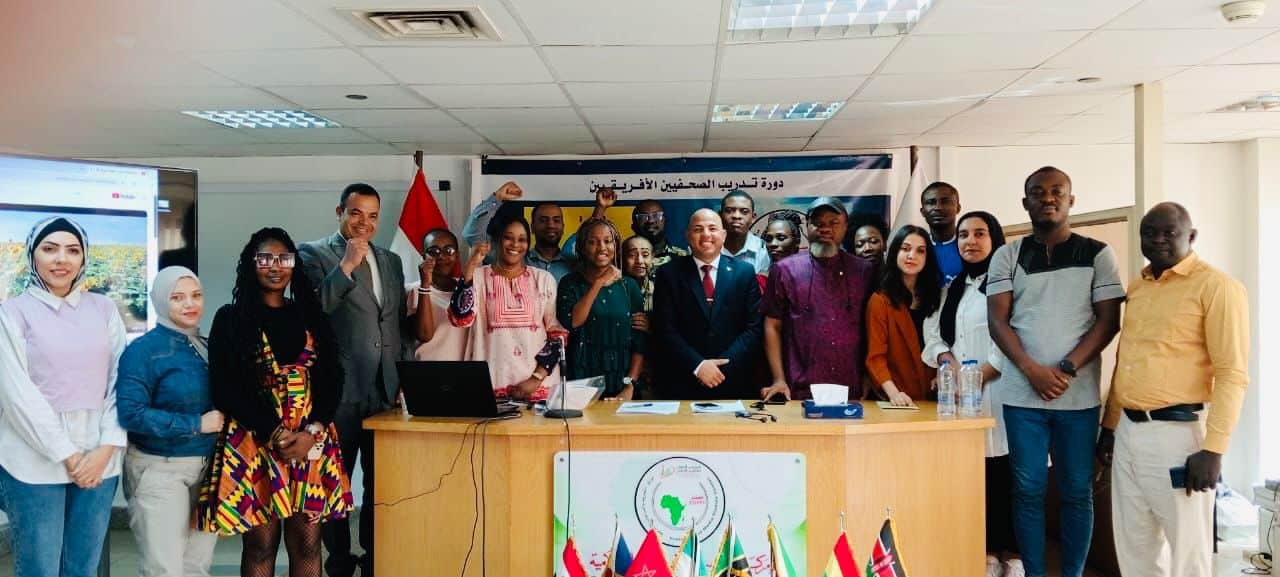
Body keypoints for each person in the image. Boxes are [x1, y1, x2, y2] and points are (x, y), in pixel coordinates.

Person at [1096, 203, 1249, 577]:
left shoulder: (1217, 287)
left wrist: (1214, 450)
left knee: (1187, 552)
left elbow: (1232, 374)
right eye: (1149, 233)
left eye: (1169, 232)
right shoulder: (1138, 286)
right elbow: (1126, 361)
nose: (1158, 240)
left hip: (1179, 436)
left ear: (1191, 236)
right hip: (1129, 432)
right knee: (1135, 547)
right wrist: (1110, 427)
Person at [987, 166, 1124, 577]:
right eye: (1038, 192)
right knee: (1028, 490)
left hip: (1077, 398)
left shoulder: (1097, 253)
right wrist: (1031, 370)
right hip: (1022, 397)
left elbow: (1108, 321)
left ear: (1071, 200)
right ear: (1025, 201)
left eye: (1057, 191)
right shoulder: (1008, 255)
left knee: (1077, 491)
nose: (1048, 198)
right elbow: (998, 322)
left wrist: (1065, 368)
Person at [199, 227, 353, 577]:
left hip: (310, 442)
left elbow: (332, 378)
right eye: (265, 258)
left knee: (308, 543)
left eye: (284, 258)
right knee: (260, 545)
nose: (275, 266)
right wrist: (275, 432)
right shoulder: (231, 319)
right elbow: (225, 387)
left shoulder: (310, 315)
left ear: (294, 264)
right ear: (250, 264)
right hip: (256, 441)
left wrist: (312, 431)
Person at [0, 216, 127, 577]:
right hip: (32, 459)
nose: (61, 259)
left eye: (72, 250)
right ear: (32, 255)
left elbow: (122, 381)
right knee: (39, 569)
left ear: (83, 257)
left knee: (82, 568)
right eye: (49, 249)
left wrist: (105, 448)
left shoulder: (104, 309)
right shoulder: (11, 313)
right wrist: (69, 456)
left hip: (100, 459)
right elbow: (16, 394)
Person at [296, 183, 405, 577]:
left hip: (383, 391)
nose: (364, 223)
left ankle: (376, 558)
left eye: (373, 216)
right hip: (338, 392)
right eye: (356, 213)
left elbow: (394, 324)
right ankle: (339, 560)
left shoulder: (391, 260)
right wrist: (345, 266)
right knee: (334, 482)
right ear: (339, 211)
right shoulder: (312, 254)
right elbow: (312, 312)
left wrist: (402, 377)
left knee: (381, 486)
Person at [920, 212, 1021, 577]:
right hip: (961, 398)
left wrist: (975, 379)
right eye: (963, 235)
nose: (970, 241)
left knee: (1008, 474)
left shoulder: (1008, 286)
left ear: (995, 240)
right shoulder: (952, 289)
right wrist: (946, 361)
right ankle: (987, 552)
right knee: (976, 475)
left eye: (980, 234)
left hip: (1000, 393)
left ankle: (1014, 555)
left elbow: (1011, 341)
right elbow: (933, 334)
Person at [117, 266, 223, 577]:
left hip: (209, 470)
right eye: (177, 298)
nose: (190, 304)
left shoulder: (207, 346)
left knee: (196, 567)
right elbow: (130, 413)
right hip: (160, 469)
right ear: (161, 301)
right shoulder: (143, 352)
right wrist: (196, 424)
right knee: (164, 570)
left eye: (196, 295)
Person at [760, 198, 873, 402]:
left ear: (845, 227)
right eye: (818, 223)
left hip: (851, 386)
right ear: (807, 226)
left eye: (833, 222)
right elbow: (772, 326)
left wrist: (869, 375)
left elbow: (872, 329)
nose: (825, 228)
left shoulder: (863, 271)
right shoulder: (785, 270)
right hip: (799, 388)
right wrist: (778, 379)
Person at [650, 209, 762, 400]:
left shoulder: (744, 272)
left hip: (733, 380)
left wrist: (720, 367)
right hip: (682, 380)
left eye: (712, 228)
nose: (706, 235)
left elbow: (753, 328)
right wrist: (699, 365)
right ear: (687, 235)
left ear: (723, 235)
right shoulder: (668, 273)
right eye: (698, 229)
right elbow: (664, 328)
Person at [454, 213, 567, 401]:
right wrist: (471, 265)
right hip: (489, 385)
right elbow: (460, 318)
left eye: (522, 240)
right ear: (496, 241)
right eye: (508, 237)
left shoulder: (543, 279)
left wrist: (536, 378)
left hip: (537, 388)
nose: (515, 245)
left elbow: (557, 336)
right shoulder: (478, 278)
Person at [556, 218, 646, 400]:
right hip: (581, 383)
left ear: (616, 246)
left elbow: (640, 343)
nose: (602, 247)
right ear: (582, 247)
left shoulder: (629, 286)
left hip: (621, 384)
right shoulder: (570, 283)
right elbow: (573, 322)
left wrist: (629, 386)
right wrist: (599, 282)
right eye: (593, 242)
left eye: (608, 241)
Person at [866, 225, 942, 406]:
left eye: (920, 251)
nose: (912, 256)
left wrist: (942, 373)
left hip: (936, 395)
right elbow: (875, 357)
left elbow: (944, 344)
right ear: (894, 252)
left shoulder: (937, 296)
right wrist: (894, 394)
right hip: (898, 398)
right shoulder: (880, 300)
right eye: (905, 249)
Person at [461, 181, 576, 282]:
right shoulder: (510, 256)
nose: (550, 225)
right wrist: (497, 198)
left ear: (563, 227)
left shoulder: (576, 264)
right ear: (532, 227)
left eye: (556, 220)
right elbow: (472, 234)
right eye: (543, 220)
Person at [406, 228, 471, 361]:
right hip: (428, 368)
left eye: (449, 250)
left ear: (457, 255)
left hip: (465, 369)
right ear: (423, 255)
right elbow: (424, 335)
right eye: (434, 251)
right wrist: (425, 285)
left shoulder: (468, 290)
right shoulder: (413, 290)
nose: (441, 256)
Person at [920, 181, 964, 284]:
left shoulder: (971, 246)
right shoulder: (915, 249)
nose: (938, 207)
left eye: (945, 202)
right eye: (931, 202)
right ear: (922, 212)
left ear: (958, 208)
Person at [719, 189, 772, 276]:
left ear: (753, 217)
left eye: (744, 212)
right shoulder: (708, 245)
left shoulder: (763, 249)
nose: (736, 216)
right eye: (729, 211)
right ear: (720, 215)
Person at [631, 198, 689, 269]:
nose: (651, 221)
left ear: (664, 222)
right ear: (633, 226)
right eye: (643, 217)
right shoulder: (623, 259)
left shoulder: (683, 258)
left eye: (656, 215)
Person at [621, 235, 655, 312]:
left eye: (645, 255)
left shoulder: (661, 286)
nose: (639, 261)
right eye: (632, 255)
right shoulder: (615, 288)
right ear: (622, 258)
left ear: (652, 258)